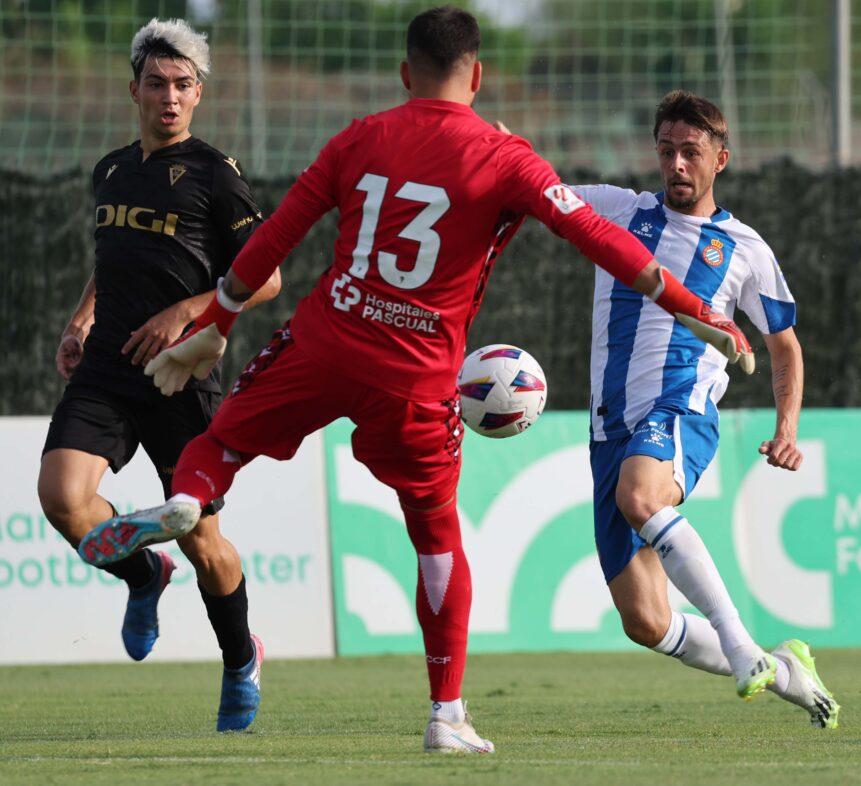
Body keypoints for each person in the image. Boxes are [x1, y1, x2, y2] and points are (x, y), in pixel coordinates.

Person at [77, 7, 753, 753]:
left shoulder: (360, 136)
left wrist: (218, 326)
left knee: (220, 443)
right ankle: (445, 715)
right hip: (418, 377)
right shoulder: (507, 157)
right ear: (479, 74)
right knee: (436, 539)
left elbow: (277, 236)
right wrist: (695, 312)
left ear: (405, 74)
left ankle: (187, 498)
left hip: (325, 343)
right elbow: (603, 239)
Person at [38, 18, 281, 732]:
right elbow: (112, 255)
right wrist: (81, 318)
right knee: (62, 500)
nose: (168, 97)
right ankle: (145, 575)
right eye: (156, 83)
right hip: (109, 367)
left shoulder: (217, 174)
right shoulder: (111, 169)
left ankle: (241, 659)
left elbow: (264, 280)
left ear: (199, 95)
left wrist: (187, 310)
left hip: (181, 376)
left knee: (201, 539)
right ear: (135, 89)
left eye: (183, 85)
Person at [573, 90, 839, 728]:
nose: (677, 166)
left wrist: (787, 430)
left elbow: (784, 349)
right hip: (607, 429)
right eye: (667, 152)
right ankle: (782, 671)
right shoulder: (619, 210)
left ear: (721, 158)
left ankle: (742, 643)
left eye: (691, 152)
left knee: (642, 499)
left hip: (679, 407)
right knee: (646, 621)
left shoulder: (744, 248)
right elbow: (540, 193)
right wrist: (502, 153)